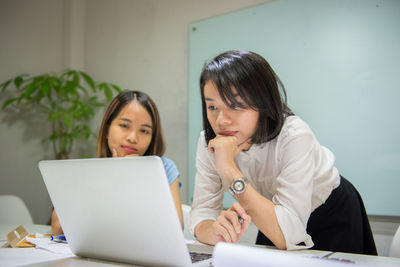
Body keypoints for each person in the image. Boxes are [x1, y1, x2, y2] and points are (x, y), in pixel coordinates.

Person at [189, 50, 377, 255]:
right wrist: (214, 231)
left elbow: (288, 234)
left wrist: (228, 170)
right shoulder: (208, 142)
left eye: (237, 105)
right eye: (212, 106)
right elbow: (202, 214)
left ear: (263, 103)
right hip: (275, 212)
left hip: (330, 209)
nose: (221, 120)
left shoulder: (295, 135)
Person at [52, 90, 183, 235]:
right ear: (107, 129)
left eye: (144, 131)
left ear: (153, 137)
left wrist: (134, 178)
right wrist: (113, 177)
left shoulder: (164, 168)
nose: (133, 138)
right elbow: (58, 226)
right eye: (124, 126)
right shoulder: (89, 171)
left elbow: (175, 228)